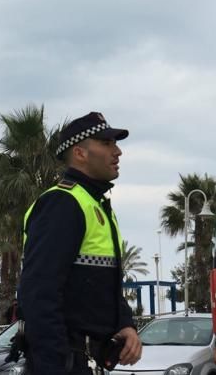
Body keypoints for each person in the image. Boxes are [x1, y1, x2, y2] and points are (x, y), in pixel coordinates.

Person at [17, 112, 143, 374]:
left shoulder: (96, 205)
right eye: (107, 143)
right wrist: (55, 365)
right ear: (80, 153)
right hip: (66, 363)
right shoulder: (63, 204)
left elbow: (101, 285)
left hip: (89, 360)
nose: (117, 151)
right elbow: (39, 294)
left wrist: (125, 324)